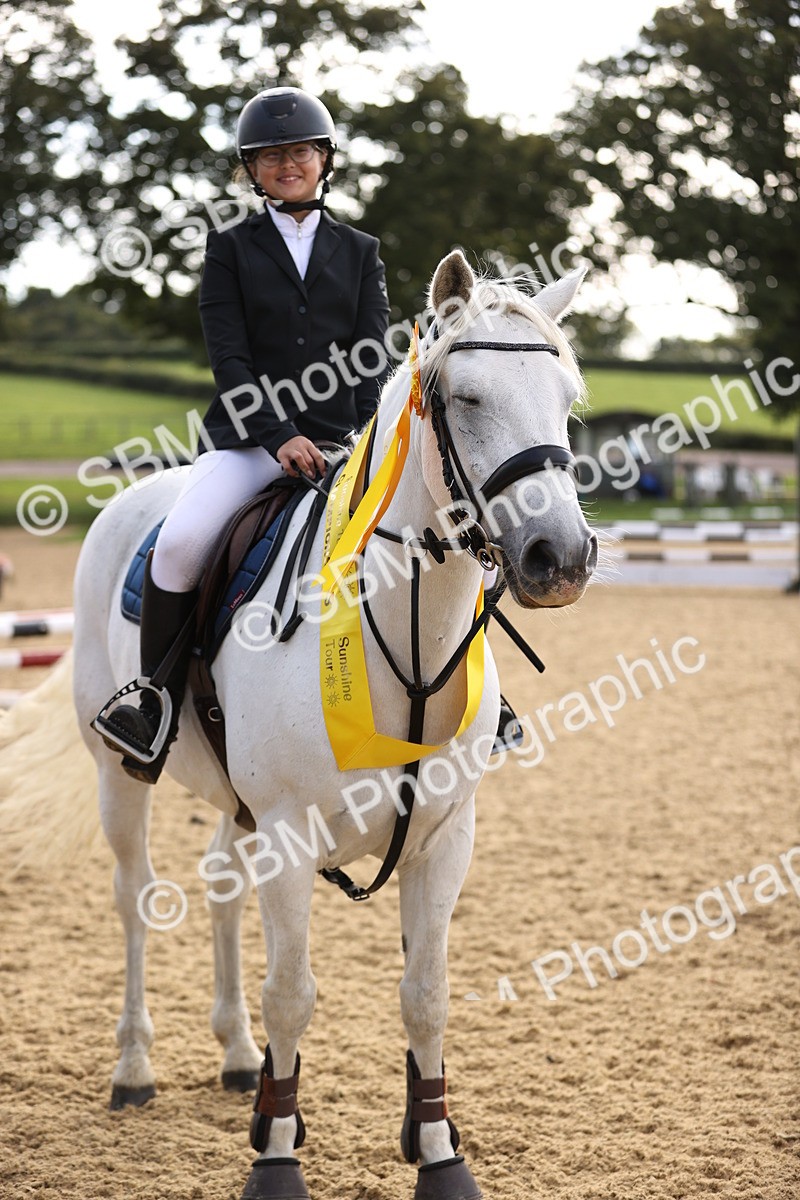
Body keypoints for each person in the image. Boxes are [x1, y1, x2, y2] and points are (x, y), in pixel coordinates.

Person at [94, 86, 391, 783]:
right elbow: (230, 359)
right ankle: (153, 703)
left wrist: (368, 441)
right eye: (271, 156)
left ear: (325, 160)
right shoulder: (228, 248)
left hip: (342, 444)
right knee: (180, 544)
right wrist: (279, 435)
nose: (288, 164)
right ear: (251, 170)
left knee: (430, 525)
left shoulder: (361, 251)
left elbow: (372, 358)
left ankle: (479, 703)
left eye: (300, 151)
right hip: (247, 445)